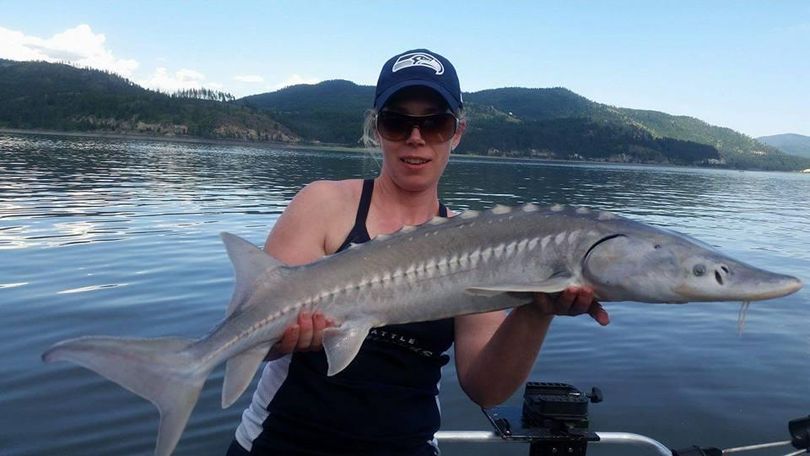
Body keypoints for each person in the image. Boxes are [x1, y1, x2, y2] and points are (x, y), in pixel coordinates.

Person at [227, 49, 609, 456]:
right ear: (376, 128)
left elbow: (485, 388)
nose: (416, 137)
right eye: (397, 122)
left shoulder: (479, 241)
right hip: (280, 443)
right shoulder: (323, 205)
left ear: (457, 132)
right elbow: (246, 333)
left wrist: (536, 311)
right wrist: (282, 341)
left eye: (436, 123)